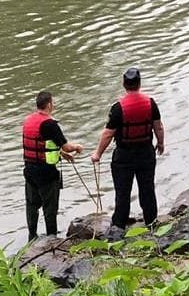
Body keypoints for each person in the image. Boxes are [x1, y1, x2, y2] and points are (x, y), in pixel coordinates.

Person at [90, 67, 165, 230]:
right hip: (146, 153)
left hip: (124, 156)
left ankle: (118, 227)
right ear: (139, 83)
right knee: (147, 189)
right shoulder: (150, 103)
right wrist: (160, 143)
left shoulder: (118, 107)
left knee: (123, 193)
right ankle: (152, 223)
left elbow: (108, 134)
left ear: (124, 84)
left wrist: (97, 154)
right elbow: (158, 127)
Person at [22, 90, 83, 242]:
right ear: (49, 104)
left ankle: (32, 236)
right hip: (46, 173)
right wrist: (77, 147)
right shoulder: (49, 123)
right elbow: (67, 146)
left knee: (32, 205)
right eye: (52, 102)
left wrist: (62, 154)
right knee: (50, 208)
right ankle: (52, 239)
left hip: (29, 170)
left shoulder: (28, 120)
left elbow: (43, 144)